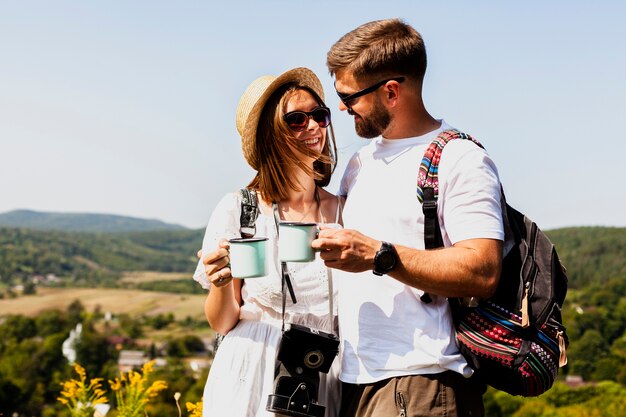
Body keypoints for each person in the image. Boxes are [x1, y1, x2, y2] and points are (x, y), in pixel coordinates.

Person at [311, 18, 505, 417]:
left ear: (391, 92)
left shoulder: (461, 159)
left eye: (349, 97)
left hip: (422, 381)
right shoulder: (359, 163)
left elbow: (483, 270)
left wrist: (380, 255)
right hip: (355, 378)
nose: (343, 109)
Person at [193, 67, 342, 417]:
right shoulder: (244, 211)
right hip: (251, 369)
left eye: (320, 116)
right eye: (296, 119)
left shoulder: (343, 211)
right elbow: (222, 321)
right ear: (270, 134)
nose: (313, 127)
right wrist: (220, 283)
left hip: (323, 370)